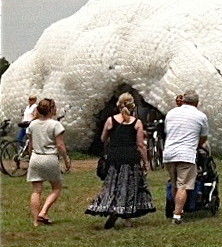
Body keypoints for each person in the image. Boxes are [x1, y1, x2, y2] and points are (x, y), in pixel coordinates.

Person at [87, 92, 156, 229]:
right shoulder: (137, 123)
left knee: (112, 186)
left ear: (118, 105)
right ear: (132, 106)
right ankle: (127, 218)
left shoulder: (110, 120)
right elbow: (141, 145)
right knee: (130, 188)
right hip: (131, 158)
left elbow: (103, 138)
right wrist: (146, 162)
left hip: (114, 158)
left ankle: (112, 208)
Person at [162, 91, 210, 224]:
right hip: (186, 154)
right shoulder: (200, 116)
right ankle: (177, 215)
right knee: (183, 185)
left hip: (169, 153)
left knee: (174, 183)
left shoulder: (171, 113)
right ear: (197, 103)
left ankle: (177, 208)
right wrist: (198, 145)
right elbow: (204, 137)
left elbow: (168, 131)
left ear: (183, 101)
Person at [26, 98, 69, 226]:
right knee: (56, 188)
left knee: (36, 190)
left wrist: (30, 157)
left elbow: (30, 145)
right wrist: (66, 159)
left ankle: (35, 222)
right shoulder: (56, 125)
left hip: (35, 157)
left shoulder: (32, 125)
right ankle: (43, 212)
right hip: (50, 158)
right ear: (51, 110)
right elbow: (60, 145)